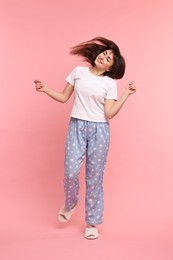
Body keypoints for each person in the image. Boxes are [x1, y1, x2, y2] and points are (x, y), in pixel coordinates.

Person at [34, 36, 136, 240]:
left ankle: (92, 222)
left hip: (100, 130)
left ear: (110, 68)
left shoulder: (109, 83)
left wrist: (125, 94)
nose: (104, 57)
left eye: (109, 59)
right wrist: (46, 90)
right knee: (71, 171)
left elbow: (109, 113)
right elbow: (64, 98)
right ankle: (70, 203)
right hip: (77, 126)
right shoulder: (78, 72)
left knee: (94, 178)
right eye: (104, 53)